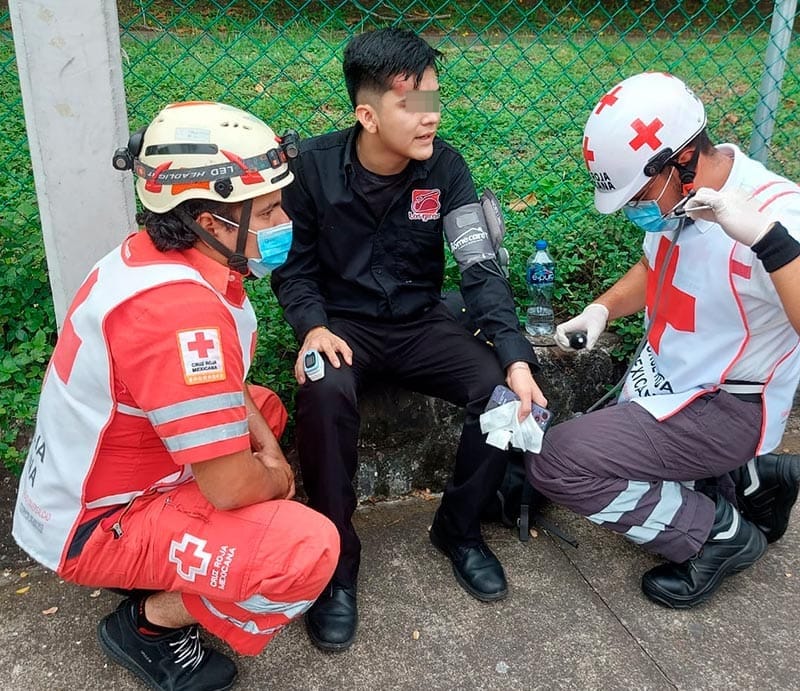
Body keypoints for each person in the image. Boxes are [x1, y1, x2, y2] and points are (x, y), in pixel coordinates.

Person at [12, 101, 339, 691]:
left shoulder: (168, 260)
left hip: (99, 478)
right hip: (94, 522)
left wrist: (267, 449)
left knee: (265, 409)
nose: (283, 219)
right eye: (267, 210)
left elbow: (233, 390)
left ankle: (173, 556)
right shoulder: (180, 316)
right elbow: (234, 486)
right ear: (211, 221)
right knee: (306, 549)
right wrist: (276, 479)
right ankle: (148, 624)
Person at [271, 27, 546, 651]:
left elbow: (479, 270)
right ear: (366, 114)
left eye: (434, 101)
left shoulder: (447, 169)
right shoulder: (309, 170)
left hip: (422, 324)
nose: (430, 119)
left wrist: (515, 358)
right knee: (322, 386)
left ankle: (459, 530)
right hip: (344, 327)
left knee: (502, 400)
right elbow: (293, 267)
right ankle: (336, 562)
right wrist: (312, 326)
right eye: (411, 104)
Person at [525, 71, 800, 609]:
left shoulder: (778, 212)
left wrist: (770, 241)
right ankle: (746, 483)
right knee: (605, 452)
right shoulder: (681, 203)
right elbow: (656, 269)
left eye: (640, 194)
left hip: (726, 404)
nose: (636, 209)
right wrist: (600, 309)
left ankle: (716, 534)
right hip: (672, 382)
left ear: (681, 160)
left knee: (557, 461)